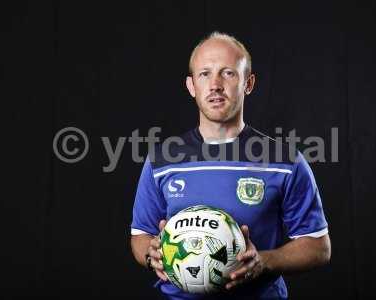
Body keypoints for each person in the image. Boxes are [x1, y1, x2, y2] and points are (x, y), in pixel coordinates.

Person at [130, 32, 331, 299]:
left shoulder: (285, 161)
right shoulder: (162, 160)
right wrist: (151, 253)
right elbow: (140, 235)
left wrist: (264, 261)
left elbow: (318, 246)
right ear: (191, 86)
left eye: (228, 73)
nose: (215, 84)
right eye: (204, 74)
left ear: (248, 83)